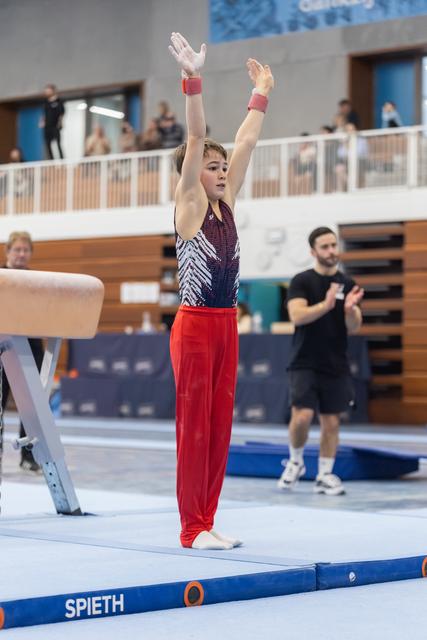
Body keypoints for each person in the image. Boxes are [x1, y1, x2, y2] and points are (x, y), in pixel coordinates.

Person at [168, 32, 274, 549]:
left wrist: (263, 92)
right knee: (195, 428)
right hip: (193, 326)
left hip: (226, 324)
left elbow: (247, 141)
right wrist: (193, 79)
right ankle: (191, 529)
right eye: (213, 166)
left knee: (220, 426)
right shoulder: (188, 205)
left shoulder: (226, 201)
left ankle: (207, 520)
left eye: (221, 165)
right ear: (192, 175)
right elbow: (195, 138)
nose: (221, 169)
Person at [277, 226, 363, 496]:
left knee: (332, 422)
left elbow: (355, 325)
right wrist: (325, 306)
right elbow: (297, 315)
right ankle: (295, 462)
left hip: (335, 363)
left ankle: (324, 474)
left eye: (334, 245)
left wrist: (349, 310)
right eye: (325, 247)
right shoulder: (302, 281)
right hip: (304, 360)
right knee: (301, 416)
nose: (331, 251)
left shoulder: (346, 283)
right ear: (313, 252)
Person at [1, 232, 44, 473]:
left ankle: (28, 456)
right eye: (17, 249)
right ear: (7, 252)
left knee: (31, 405)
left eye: (25, 250)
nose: (21, 254)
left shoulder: (37, 281)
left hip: (29, 347)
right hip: (2, 345)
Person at [39, 84, 65, 160]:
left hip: (55, 126)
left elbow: (62, 113)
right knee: (47, 144)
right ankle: (51, 160)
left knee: (58, 144)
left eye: (48, 91)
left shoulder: (59, 101)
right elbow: (44, 114)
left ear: (53, 91)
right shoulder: (46, 102)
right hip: (47, 126)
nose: (47, 92)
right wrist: (42, 121)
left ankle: (62, 159)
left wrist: (60, 122)